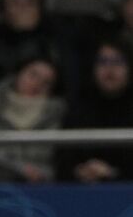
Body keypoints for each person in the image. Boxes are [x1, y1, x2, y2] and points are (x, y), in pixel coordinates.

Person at [0, 58, 65, 182]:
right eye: (33, 74)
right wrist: (17, 167)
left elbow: (58, 166)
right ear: (18, 74)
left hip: (33, 192)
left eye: (46, 82)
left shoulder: (58, 120)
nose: (37, 83)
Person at [56, 40, 133, 182]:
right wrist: (78, 171)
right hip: (80, 192)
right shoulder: (78, 108)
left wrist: (113, 173)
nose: (110, 68)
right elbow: (61, 160)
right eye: (103, 61)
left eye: (118, 61)